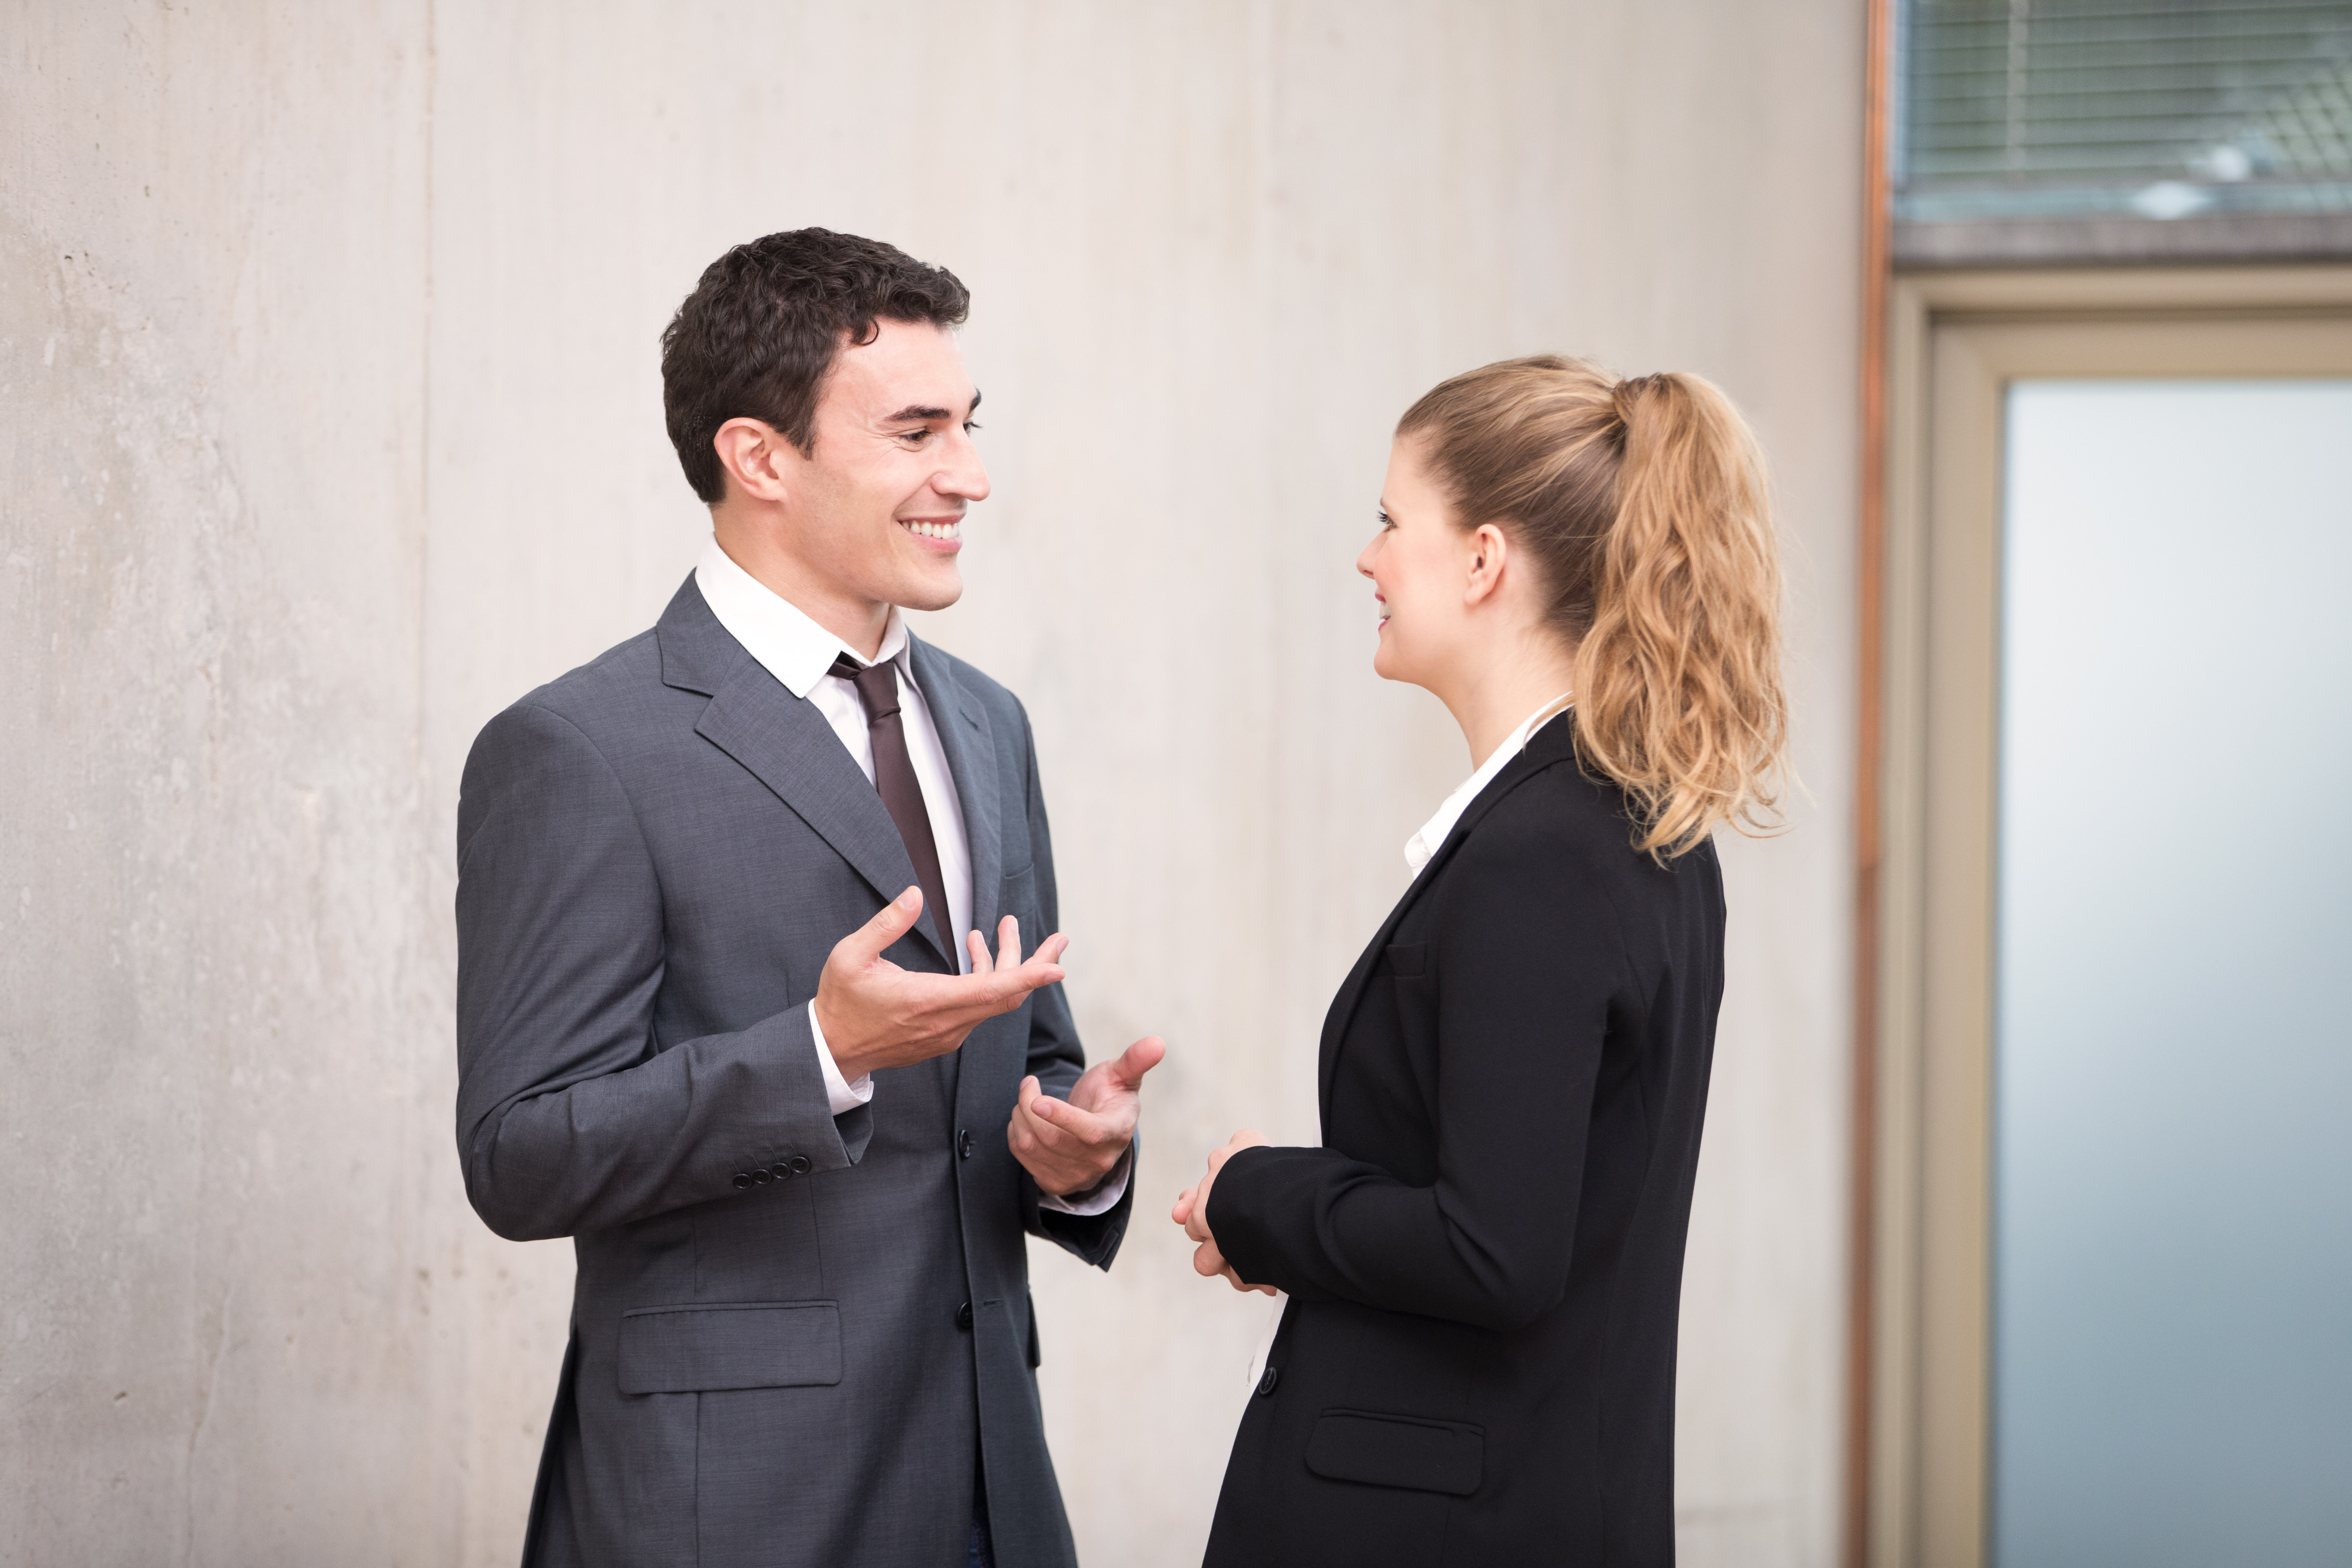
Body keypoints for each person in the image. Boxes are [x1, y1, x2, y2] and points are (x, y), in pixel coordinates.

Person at [454, 228, 1159, 1568]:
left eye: (969, 424)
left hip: (993, 1489)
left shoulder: (989, 723)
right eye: (915, 431)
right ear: (759, 458)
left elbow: (1026, 1061)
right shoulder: (581, 749)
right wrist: (820, 1055)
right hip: (734, 1507)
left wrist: (1074, 1154)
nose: (971, 474)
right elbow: (520, 1152)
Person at [1172, 356, 1787, 1565]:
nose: (1369, 558)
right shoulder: (1632, 827)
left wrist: (1256, 1197)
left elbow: (1494, 1251)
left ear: (1484, 560)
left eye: (1393, 521)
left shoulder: (1544, 853)